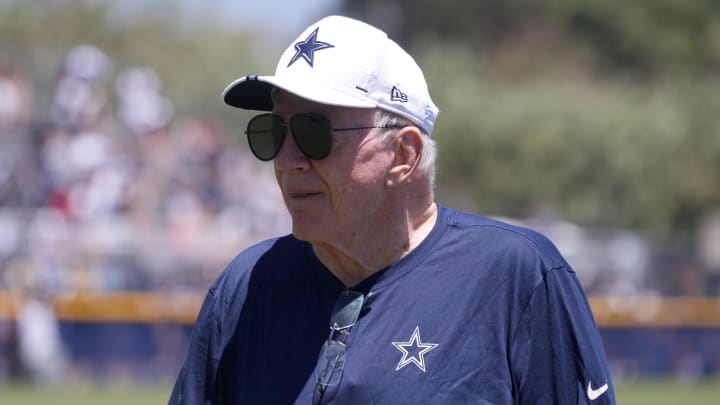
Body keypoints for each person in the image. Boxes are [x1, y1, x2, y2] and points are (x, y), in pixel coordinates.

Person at [169, 15, 615, 404]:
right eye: (272, 131)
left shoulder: (517, 276)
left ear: (403, 154)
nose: (287, 160)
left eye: (313, 132)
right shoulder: (246, 286)